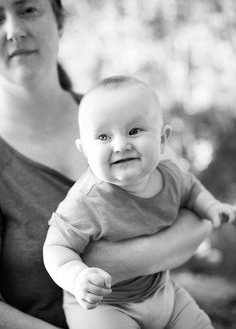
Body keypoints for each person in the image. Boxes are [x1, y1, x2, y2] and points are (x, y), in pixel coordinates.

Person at [0, 0, 212, 328]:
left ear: (59, 20)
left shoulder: (120, 111)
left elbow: (198, 218)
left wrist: (106, 261)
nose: (14, 29)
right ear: (84, 149)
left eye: (28, 9)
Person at [43, 76, 236, 329]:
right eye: (103, 137)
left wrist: (211, 207)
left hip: (162, 292)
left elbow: (192, 190)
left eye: (134, 131)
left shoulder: (171, 176)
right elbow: (55, 247)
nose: (121, 145)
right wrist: (77, 277)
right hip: (103, 306)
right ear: (85, 152)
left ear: (163, 139)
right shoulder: (86, 201)